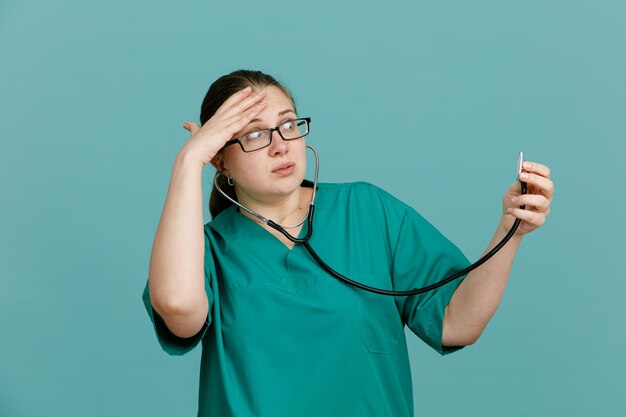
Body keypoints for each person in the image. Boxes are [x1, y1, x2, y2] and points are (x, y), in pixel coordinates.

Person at [142, 69, 554, 417]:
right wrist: (187, 162)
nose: (280, 145)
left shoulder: (368, 211)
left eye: (288, 124)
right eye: (254, 135)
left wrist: (510, 232)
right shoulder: (210, 250)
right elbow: (179, 308)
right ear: (221, 159)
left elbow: (456, 324)